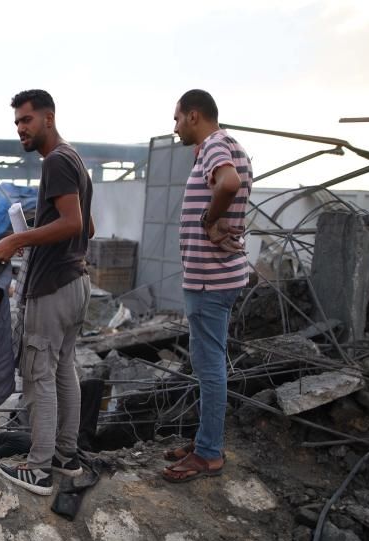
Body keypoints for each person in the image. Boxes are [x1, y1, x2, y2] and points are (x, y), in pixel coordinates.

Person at [0, 89, 94, 496]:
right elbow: (89, 228)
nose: (20, 130)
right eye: (17, 123)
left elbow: (73, 223)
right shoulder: (75, 159)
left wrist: (19, 241)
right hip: (77, 281)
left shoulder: (55, 162)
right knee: (64, 368)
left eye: (26, 121)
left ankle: (39, 469)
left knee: (39, 375)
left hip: (53, 287)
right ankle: (66, 459)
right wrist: (40, 224)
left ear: (48, 119)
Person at [162, 89, 252, 483]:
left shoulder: (216, 145)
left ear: (194, 115)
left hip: (208, 281)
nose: (175, 126)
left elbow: (228, 184)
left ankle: (209, 453)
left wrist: (208, 221)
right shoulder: (227, 145)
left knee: (210, 368)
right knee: (209, 365)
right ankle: (205, 441)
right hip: (218, 277)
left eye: (177, 118)